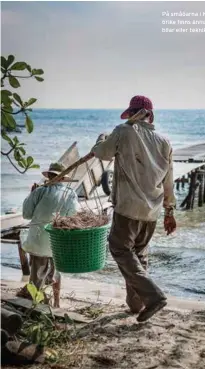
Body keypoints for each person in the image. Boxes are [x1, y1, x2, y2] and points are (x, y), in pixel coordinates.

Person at [92, 95, 176, 322]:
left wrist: (101, 139)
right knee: (138, 254)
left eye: (130, 114)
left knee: (119, 248)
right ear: (150, 116)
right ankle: (136, 304)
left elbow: (101, 153)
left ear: (133, 114)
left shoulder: (123, 131)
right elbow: (169, 181)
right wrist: (170, 212)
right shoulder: (164, 141)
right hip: (152, 211)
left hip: (128, 207)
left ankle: (154, 297)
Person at [18, 162, 81, 307]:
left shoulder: (39, 191)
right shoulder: (70, 194)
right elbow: (76, 215)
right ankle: (56, 303)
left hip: (38, 240)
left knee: (37, 275)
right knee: (56, 272)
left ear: (50, 176)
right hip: (57, 242)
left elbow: (26, 214)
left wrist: (31, 194)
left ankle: (36, 304)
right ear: (63, 179)